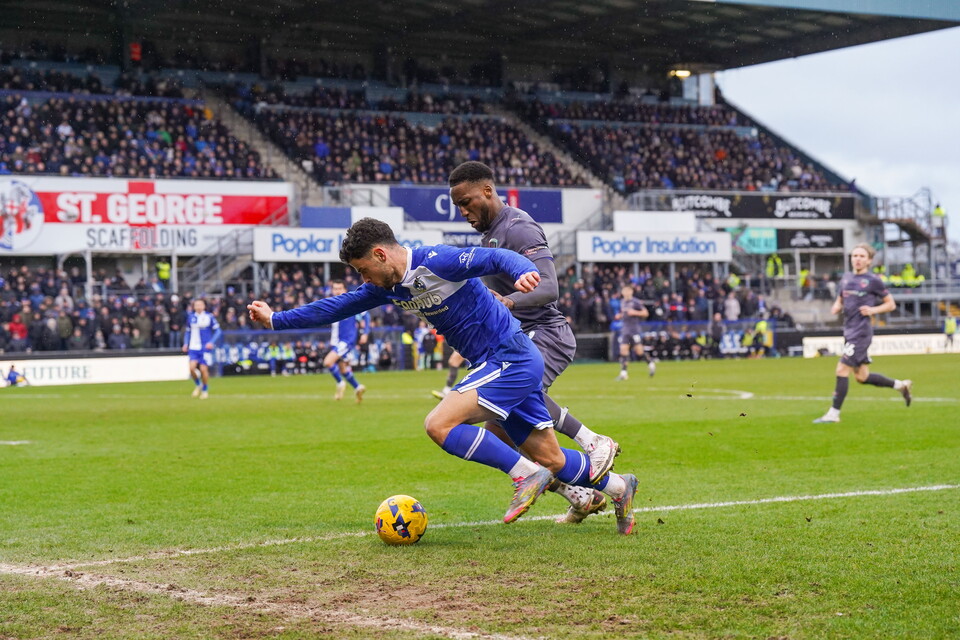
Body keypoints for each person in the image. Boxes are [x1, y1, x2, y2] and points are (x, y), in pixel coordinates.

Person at [247, 218, 639, 534]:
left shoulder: (436, 260)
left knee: (439, 424)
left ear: (381, 254)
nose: (363, 279)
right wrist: (276, 319)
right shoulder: (386, 287)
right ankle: (621, 488)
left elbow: (497, 257)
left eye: (364, 269)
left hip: (510, 357)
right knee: (551, 457)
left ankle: (524, 475)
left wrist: (524, 273)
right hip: (497, 364)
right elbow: (336, 307)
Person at [448, 161, 623, 525]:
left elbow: (548, 287)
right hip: (518, 341)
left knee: (517, 397)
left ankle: (593, 441)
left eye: (467, 202)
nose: (463, 212)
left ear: (487, 191)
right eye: (458, 206)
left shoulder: (519, 228)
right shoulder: (490, 237)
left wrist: (509, 301)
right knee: (502, 435)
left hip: (545, 334)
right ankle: (590, 493)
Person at [813, 243, 912, 423]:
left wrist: (874, 310)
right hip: (849, 330)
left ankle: (833, 414)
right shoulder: (846, 278)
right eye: (854, 256)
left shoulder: (873, 280)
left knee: (842, 368)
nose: (857, 259)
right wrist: (837, 305)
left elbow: (891, 304)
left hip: (861, 332)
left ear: (869, 260)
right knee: (862, 377)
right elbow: (841, 297)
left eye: (861, 256)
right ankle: (901, 386)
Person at [324, 279, 366, 402]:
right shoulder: (332, 303)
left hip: (345, 341)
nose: (337, 291)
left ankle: (340, 383)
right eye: (335, 288)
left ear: (344, 290)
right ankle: (358, 387)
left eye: (339, 288)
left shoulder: (350, 302)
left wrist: (365, 333)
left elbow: (365, 316)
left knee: (328, 362)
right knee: (342, 369)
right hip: (336, 341)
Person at [183, 298, 221, 400]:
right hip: (193, 347)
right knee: (191, 368)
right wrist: (186, 343)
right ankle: (198, 384)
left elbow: (218, 331)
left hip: (205, 348)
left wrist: (211, 342)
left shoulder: (209, 317)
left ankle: (205, 389)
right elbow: (187, 332)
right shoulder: (191, 317)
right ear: (194, 306)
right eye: (196, 305)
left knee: (204, 369)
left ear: (204, 306)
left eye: (200, 305)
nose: (198, 307)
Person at [615, 284, 655, 380]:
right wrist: (620, 315)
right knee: (623, 350)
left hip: (634, 330)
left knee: (639, 352)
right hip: (625, 330)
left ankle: (650, 363)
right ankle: (624, 373)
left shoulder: (636, 302)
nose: (625, 293)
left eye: (627, 291)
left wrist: (635, 312)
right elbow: (624, 313)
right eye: (624, 291)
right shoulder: (622, 302)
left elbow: (646, 313)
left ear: (631, 292)